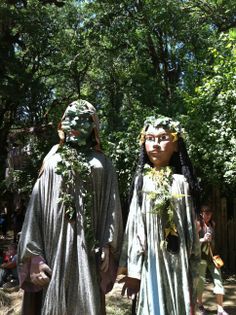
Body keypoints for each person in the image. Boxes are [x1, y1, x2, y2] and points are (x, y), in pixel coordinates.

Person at [18, 99, 123, 315]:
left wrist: (107, 243)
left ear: (94, 125)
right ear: (62, 124)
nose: (75, 123)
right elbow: (34, 210)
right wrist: (34, 255)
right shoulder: (52, 161)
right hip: (53, 251)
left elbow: (113, 208)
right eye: (70, 117)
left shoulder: (103, 164)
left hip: (89, 253)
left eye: (83, 119)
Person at [119, 116, 201, 315]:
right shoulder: (142, 182)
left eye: (163, 138)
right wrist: (134, 271)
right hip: (151, 263)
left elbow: (191, 229)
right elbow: (134, 227)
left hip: (179, 264)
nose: (155, 145)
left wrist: (194, 269)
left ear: (176, 145)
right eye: (149, 138)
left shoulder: (182, 182)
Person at [196, 205, 229, 315]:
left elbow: (213, 240)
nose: (208, 216)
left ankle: (220, 309)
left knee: (218, 280)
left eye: (210, 214)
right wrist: (203, 239)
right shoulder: (198, 224)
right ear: (202, 213)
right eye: (206, 213)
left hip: (213, 257)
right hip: (201, 258)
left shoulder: (212, 224)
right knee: (200, 283)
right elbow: (192, 242)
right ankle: (200, 305)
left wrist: (210, 240)